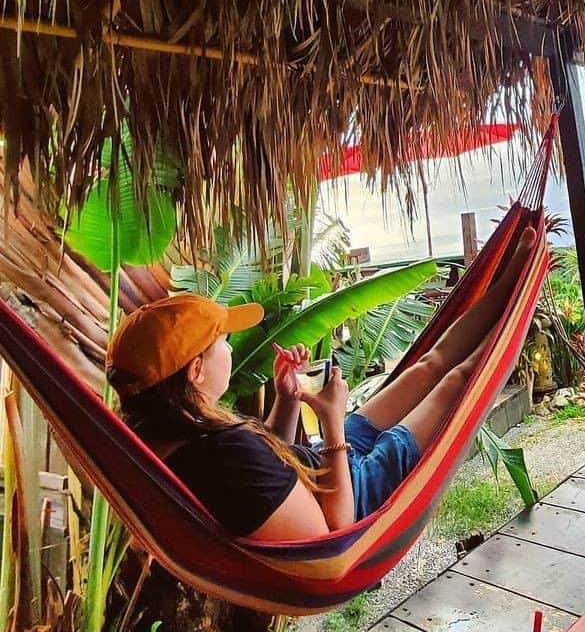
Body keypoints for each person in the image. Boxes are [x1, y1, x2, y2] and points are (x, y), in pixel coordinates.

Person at [107, 228, 536, 542]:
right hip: (356, 487)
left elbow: (262, 471)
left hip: (318, 467)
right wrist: (331, 423)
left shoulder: (177, 432)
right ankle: (519, 301)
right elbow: (337, 530)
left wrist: (289, 399)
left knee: (428, 366)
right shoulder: (219, 448)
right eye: (222, 341)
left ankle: (512, 275)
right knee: (457, 381)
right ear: (195, 371)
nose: (231, 347)